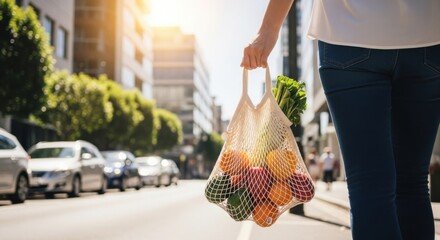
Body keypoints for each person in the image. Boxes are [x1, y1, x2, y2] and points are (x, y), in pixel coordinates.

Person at [240, 1, 440, 240]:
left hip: (348, 34)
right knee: (413, 184)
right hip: (428, 36)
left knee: (370, 187)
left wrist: (267, 31)